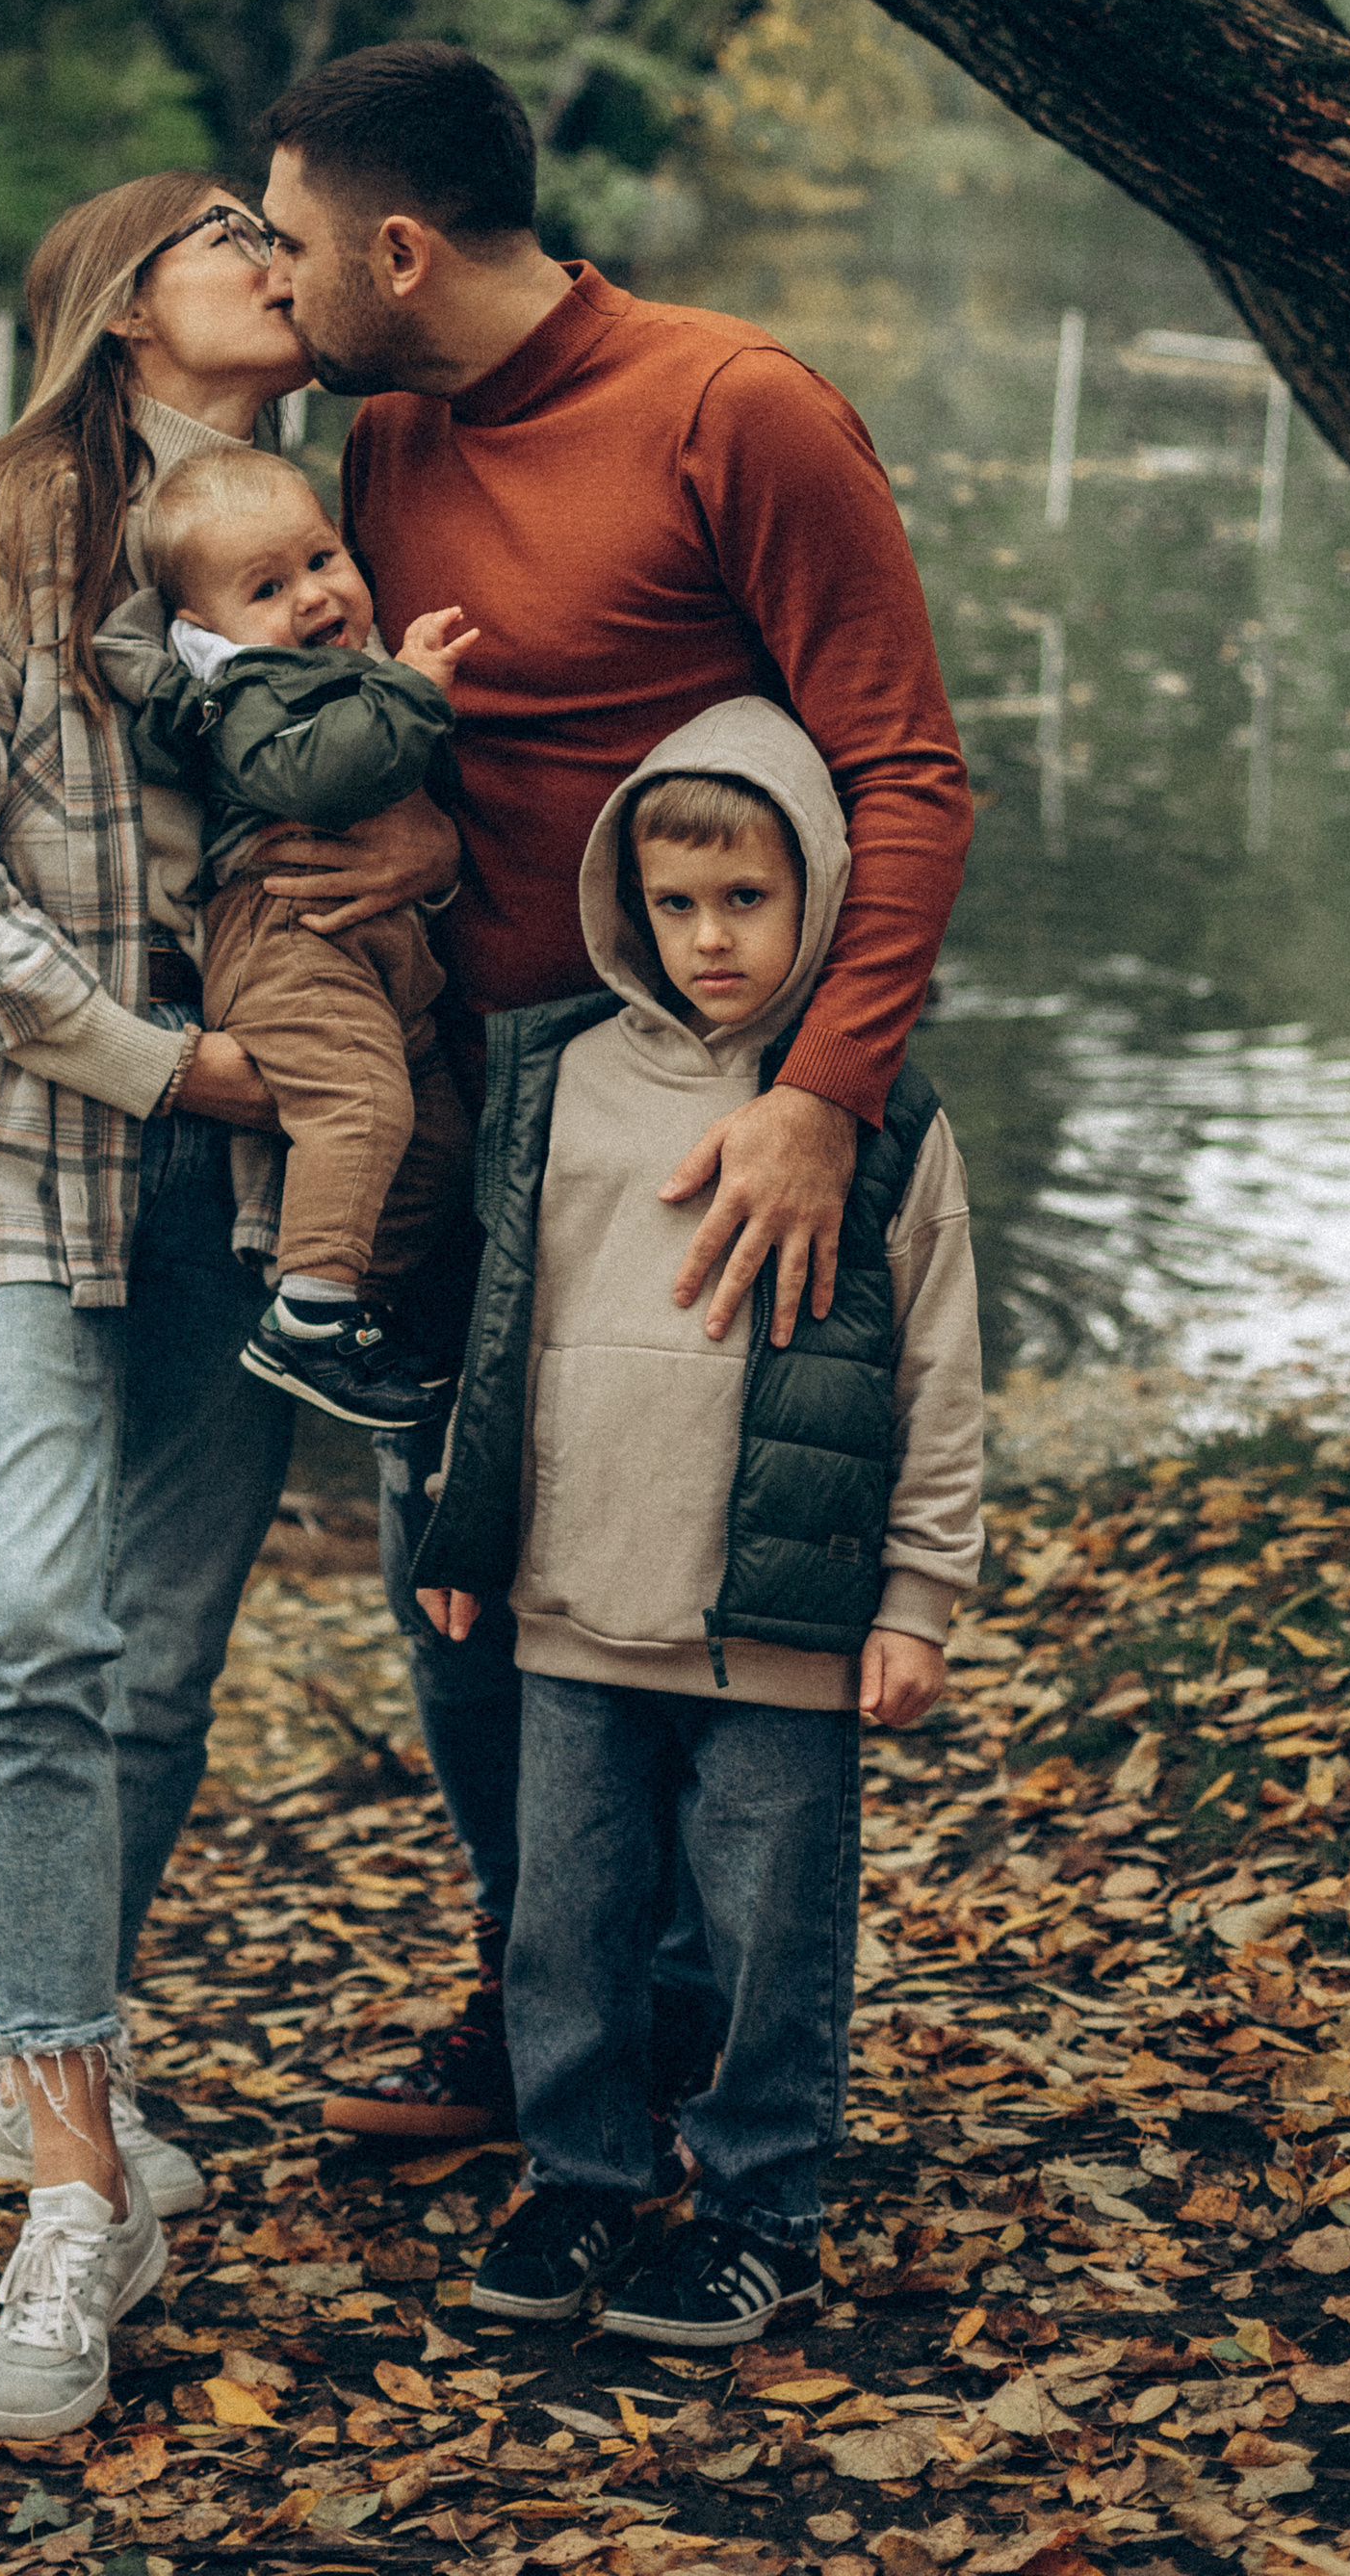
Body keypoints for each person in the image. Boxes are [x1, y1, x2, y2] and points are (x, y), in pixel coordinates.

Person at [248, 39, 974, 2142]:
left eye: (292, 242)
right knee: (466, 1585)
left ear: (397, 246)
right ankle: (541, 2001)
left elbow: (905, 774)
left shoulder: (735, 408)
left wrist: (823, 1095)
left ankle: (708, 2044)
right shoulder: (385, 435)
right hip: (471, 1121)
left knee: (692, 1604)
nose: (279, 281)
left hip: (700, 1130)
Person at [0, 171, 428, 2443]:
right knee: (31, 1611)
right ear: (119, 305)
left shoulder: (313, 535)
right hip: (10, 1145)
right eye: (227, 230)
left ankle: (55, 2040)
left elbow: (370, 805)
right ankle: (73, 2173)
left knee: (159, 1658)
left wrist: (404, 864)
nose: (280, 253)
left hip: (240, 1180)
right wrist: (160, 1058)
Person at [411, 703, 983, 2343]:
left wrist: (918, 1598)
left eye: (747, 900)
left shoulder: (878, 1114)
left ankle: (761, 2206)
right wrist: (466, 1530)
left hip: (777, 1619)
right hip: (574, 1605)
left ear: (820, 898)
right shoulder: (561, 1079)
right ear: (627, 904)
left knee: (766, 1930)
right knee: (567, 1923)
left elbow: (937, 1371)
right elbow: (502, 1331)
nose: (712, 937)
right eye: (677, 904)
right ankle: (582, 2175)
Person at [122, 445, 476, 1429]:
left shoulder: (337, 669)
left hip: (377, 949)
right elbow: (320, 780)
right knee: (358, 1105)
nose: (313, 596)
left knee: (437, 1139)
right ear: (206, 633)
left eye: (322, 560)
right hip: (284, 933)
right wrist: (414, 687)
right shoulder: (246, 693)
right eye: (267, 589)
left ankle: (355, 1310)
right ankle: (307, 1320)